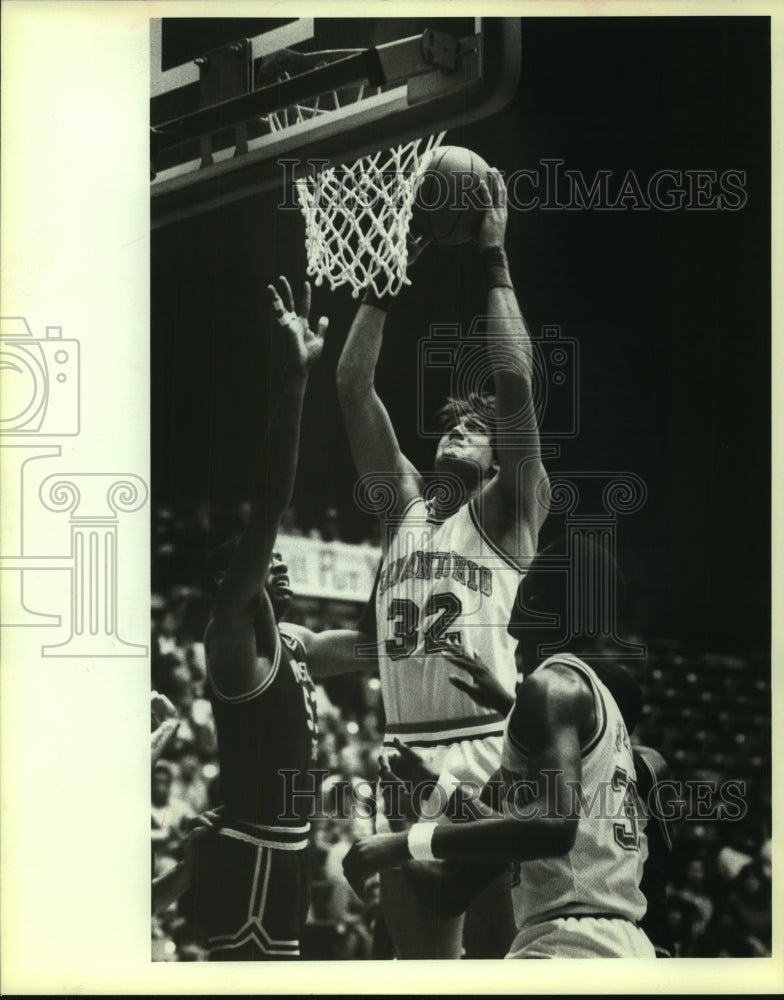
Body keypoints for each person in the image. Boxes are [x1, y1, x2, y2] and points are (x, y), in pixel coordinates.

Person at [336, 168, 549, 957]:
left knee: (502, 963)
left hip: (488, 752)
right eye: (451, 423)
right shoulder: (405, 508)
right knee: (421, 969)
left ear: (500, 460)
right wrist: (388, 272)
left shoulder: (508, 510)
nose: (460, 427)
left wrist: (494, 256)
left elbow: (515, 383)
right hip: (404, 757)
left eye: (476, 427)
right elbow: (353, 384)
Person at [342, 540, 656, 959]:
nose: (511, 620)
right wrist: (411, 820)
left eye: (524, 589)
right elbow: (450, 891)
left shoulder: (551, 687)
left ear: (540, 599)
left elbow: (552, 826)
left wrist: (402, 844)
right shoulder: (602, 712)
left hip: (570, 947)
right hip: (620, 947)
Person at [188, 276, 379, 961]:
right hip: (254, 853)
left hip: (286, 854)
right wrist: (299, 380)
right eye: (259, 561)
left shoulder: (293, 641)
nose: (278, 564)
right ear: (231, 581)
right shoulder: (233, 635)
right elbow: (268, 505)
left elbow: (369, 650)